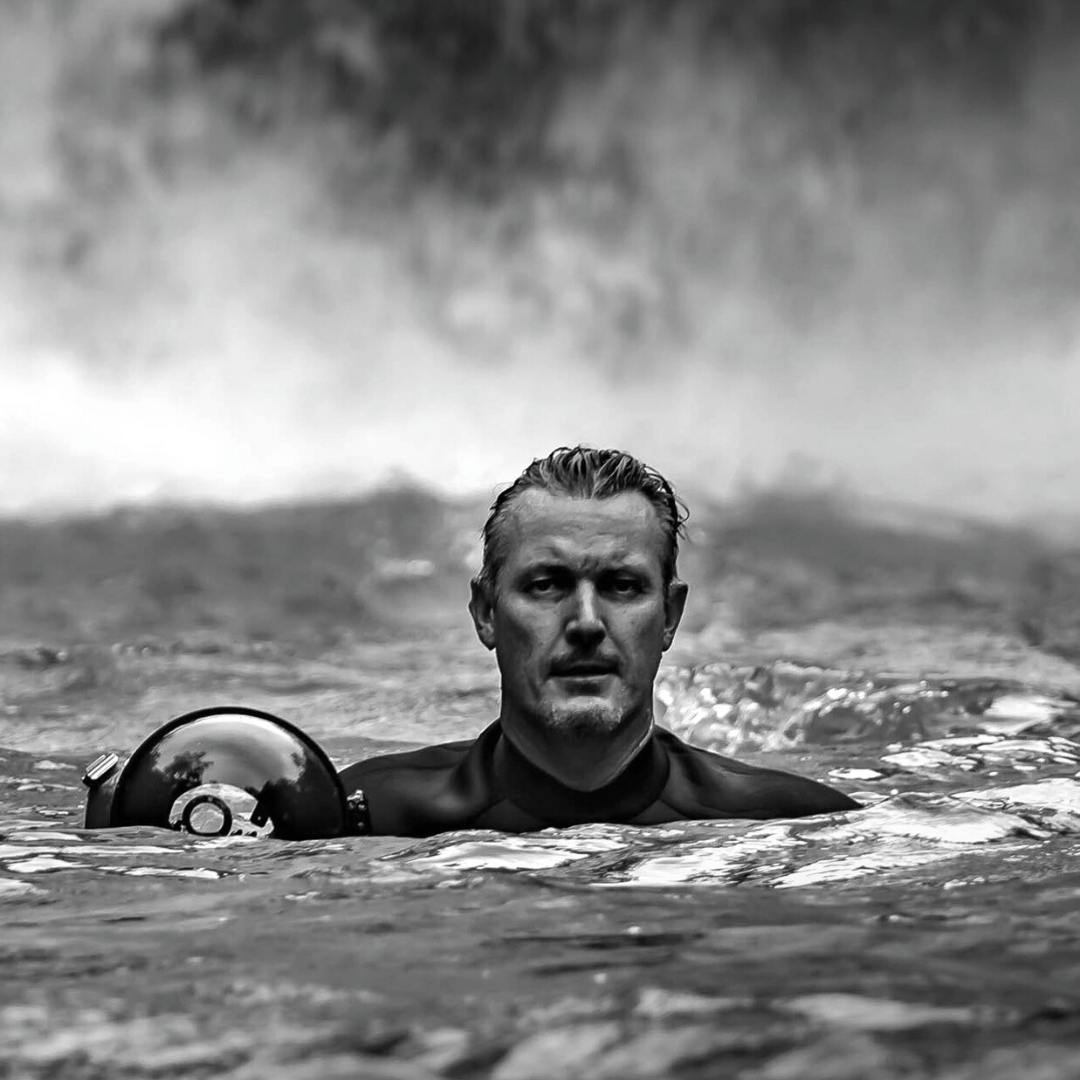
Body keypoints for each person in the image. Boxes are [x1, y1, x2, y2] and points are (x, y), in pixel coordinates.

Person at [339, 446, 859, 836]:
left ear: (670, 616)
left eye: (622, 587)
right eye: (546, 586)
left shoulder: (793, 824)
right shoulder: (360, 815)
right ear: (485, 614)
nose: (586, 622)